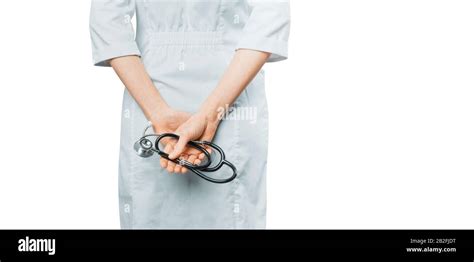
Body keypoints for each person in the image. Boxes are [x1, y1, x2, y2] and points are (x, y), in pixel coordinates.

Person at [90, 0, 290, 229]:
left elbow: (270, 15)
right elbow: (108, 18)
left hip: (221, 100)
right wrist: (168, 114)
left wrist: (199, 116)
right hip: (156, 103)